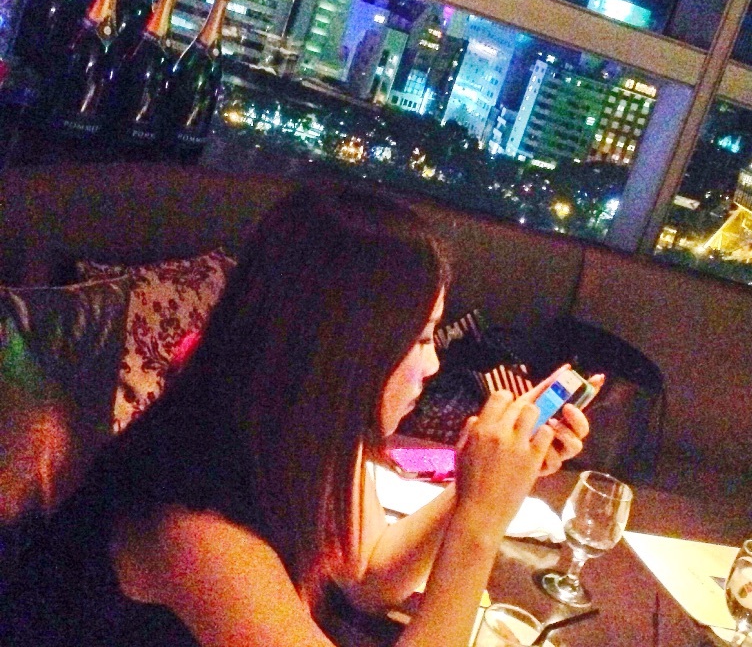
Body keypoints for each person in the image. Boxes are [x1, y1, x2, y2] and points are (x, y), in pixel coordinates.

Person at [4, 186, 596, 647]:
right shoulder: (194, 526)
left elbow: (370, 577)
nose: (434, 364)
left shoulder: (299, 437)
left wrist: (475, 485)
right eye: (418, 339)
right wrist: (480, 523)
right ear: (343, 353)